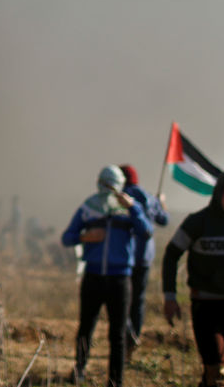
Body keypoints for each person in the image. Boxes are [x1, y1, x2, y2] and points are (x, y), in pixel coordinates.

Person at [61, 165, 152, 387]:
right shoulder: (89, 207)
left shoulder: (129, 209)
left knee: (118, 334)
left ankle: (115, 381)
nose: (107, 189)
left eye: (112, 185)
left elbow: (146, 232)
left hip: (120, 279)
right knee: (86, 327)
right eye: (104, 184)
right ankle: (79, 370)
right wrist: (86, 237)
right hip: (92, 276)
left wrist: (133, 208)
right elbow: (67, 237)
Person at [162, 171, 224, 387]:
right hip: (205, 305)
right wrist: (170, 297)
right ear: (219, 194)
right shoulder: (198, 222)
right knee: (214, 368)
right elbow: (171, 255)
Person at [119, 164, 169, 355]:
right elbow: (164, 220)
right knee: (138, 301)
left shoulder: (120, 199)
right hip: (145, 258)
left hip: (126, 257)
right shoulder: (150, 198)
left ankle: (129, 333)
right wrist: (161, 202)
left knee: (122, 300)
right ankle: (135, 339)